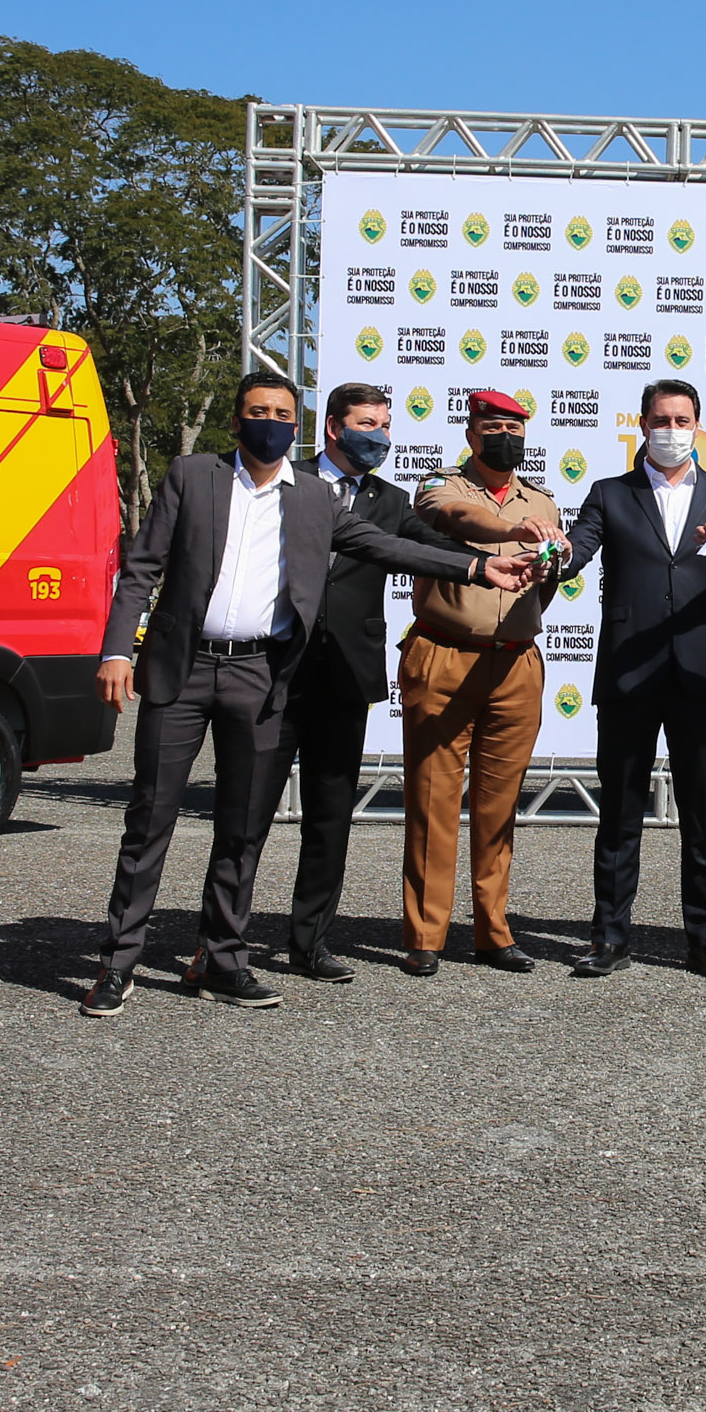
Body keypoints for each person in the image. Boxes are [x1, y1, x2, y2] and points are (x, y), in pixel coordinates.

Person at [83, 372, 526, 1017]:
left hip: (260, 675)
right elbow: (141, 567)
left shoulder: (316, 498)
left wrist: (477, 565)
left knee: (240, 827)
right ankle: (117, 963)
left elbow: (385, 544)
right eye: (258, 411)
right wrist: (118, 649)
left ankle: (223, 959)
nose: (270, 421)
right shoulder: (192, 475)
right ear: (238, 421)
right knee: (151, 818)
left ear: (297, 424)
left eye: (281, 413)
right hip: (182, 671)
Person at [245, 382, 474, 984]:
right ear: (333, 429)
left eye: (385, 425)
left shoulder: (389, 500)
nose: (381, 437)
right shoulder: (279, 480)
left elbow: (437, 547)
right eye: (368, 424)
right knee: (248, 815)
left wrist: (501, 548)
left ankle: (310, 943)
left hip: (345, 675)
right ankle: (222, 941)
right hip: (270, 672)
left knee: (330, 817)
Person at [554, 380, 706, 979]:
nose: (671, 429)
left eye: (682, 419)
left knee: (704, 811)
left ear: (698, 424)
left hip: (701, 671)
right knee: (619, 812)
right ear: (643, 424)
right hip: (629, 671)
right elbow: (577, 551)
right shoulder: (610, 493)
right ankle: (609, 937)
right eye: (660, 419)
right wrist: (555, 550)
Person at [395, 389, 564, 975]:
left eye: (515, 431)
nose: (506, 439)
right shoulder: (442, 487)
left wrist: (551, 559)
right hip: (444, 655)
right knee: (432, 799)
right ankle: (426, 933)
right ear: (471, 434)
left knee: (499, 805)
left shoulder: (542, 500)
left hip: (515, 661)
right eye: (493, 428)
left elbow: (545, 582)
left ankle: (493, 930)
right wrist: (511, 531)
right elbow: (461, 521)